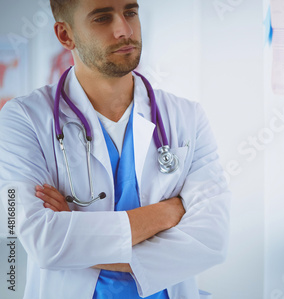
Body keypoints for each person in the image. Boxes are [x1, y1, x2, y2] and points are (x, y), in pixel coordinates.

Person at [0, 0, 230, 298]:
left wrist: (74, 237)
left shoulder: (186, 116)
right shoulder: (22, 118)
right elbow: (41, 242)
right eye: (102, 18)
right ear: (65, 35)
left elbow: (211, 241)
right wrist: (166, 213)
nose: (124, 29)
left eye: (130, 12)